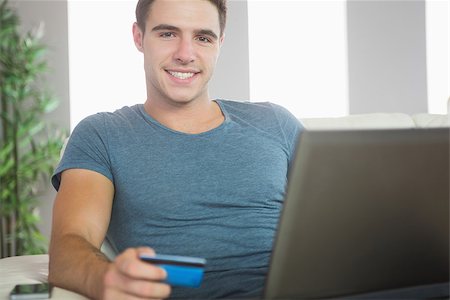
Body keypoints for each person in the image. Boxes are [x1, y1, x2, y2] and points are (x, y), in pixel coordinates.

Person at [48, 0, 302, 298]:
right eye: (167, 34)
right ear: (139, 37)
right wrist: (106, 278)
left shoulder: (275, 121)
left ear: (220, 43)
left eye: (203, 38)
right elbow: (68, 247)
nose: (185, 54)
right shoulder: (102, 134)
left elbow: (344, 220)